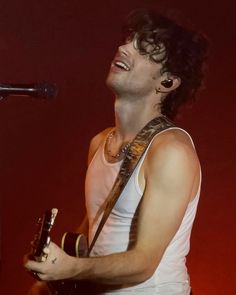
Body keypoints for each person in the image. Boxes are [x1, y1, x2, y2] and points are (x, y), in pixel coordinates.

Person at [25, 9, 208, 295]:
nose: (123, 48)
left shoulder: (171, 151)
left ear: (167, 83)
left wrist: (70, 268)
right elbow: (93, 237)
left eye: (144, 50)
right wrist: (52, 276)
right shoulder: (99, 143)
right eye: (128, 40)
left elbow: (144, 262)